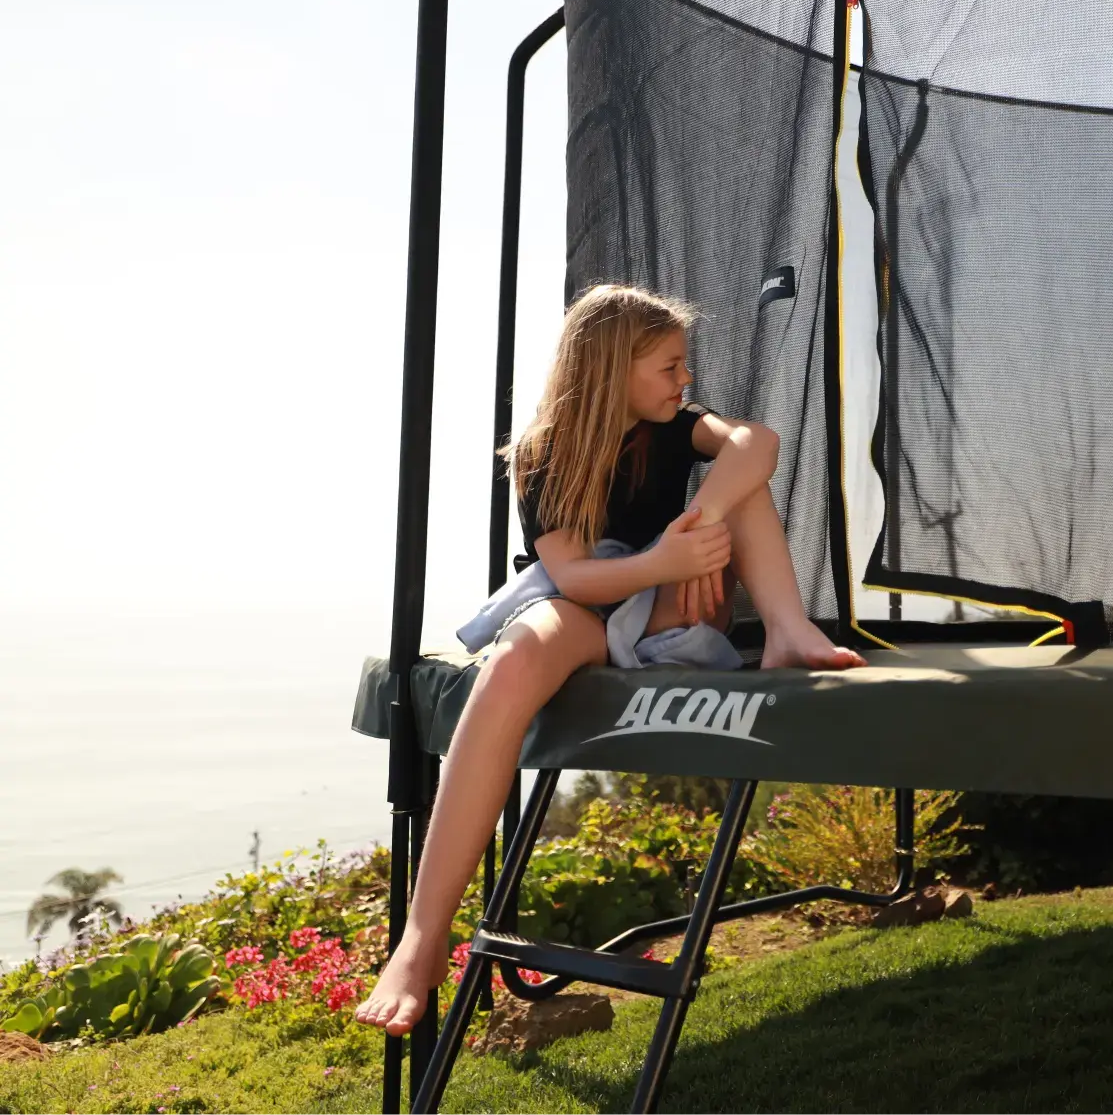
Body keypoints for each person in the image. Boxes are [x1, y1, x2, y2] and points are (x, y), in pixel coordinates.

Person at [354, 284, 863, 1037]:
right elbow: (578, 577)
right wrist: (665, 559)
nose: (683, 380)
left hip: (670, 603)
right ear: (610, 368)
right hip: (595, 595)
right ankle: (424, 938)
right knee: (514, 662)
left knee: (739, 473)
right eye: (668, 366)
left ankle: (788, 632)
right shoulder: (542, 453)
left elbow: (759, 442)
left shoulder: (678, 428)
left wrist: (699, 525)